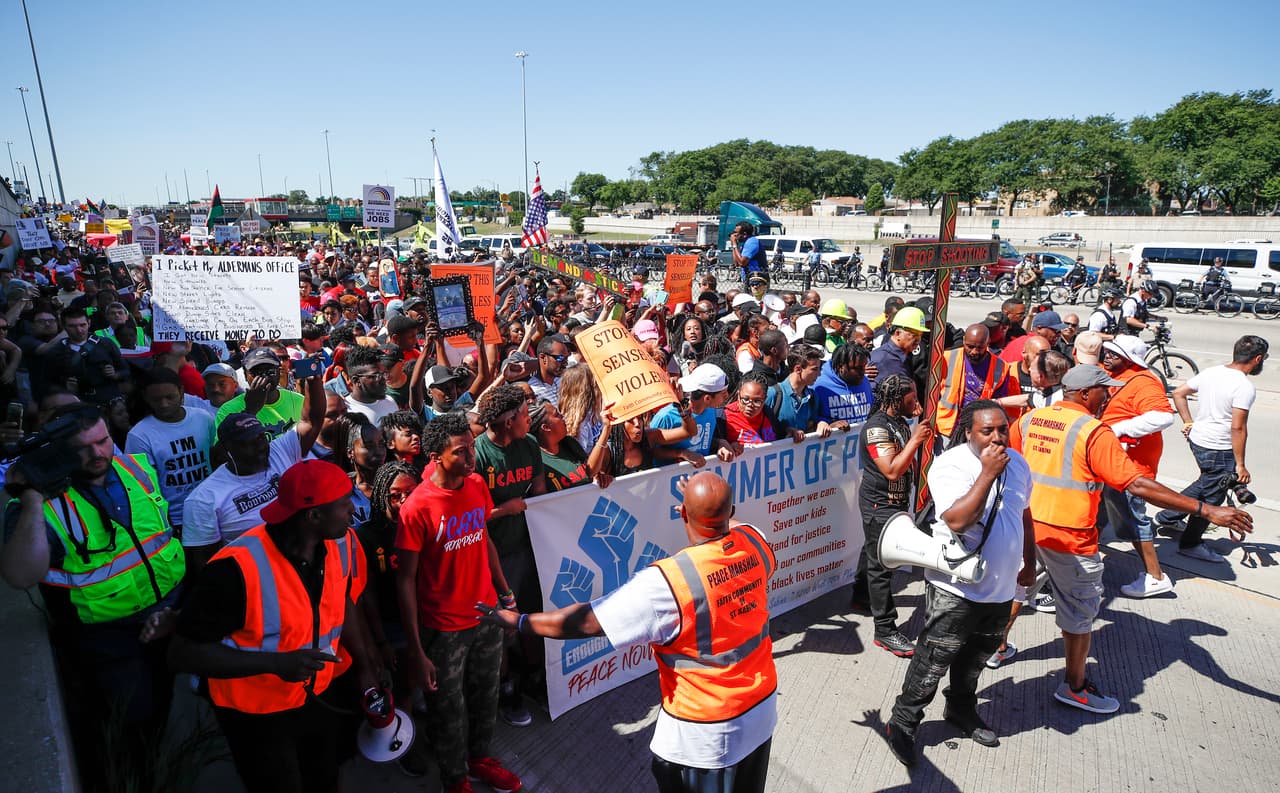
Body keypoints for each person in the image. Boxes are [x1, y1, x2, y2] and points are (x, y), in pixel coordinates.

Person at [478, 471, 776, 793]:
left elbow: (587, 622)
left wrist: (519, 622)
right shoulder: (755, 541)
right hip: (761, 711)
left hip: (706, 734)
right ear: (730, 514)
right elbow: (730, 524)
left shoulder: (668, 582)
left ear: (682, 513)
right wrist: (707, 507)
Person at [1010, 365, 1253, 713]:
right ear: (1084, 394)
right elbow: (1136, 484)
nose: (1108, 395)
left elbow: (1014, 465)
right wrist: (1205, 509)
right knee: (1080, 615)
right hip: (1070, 540)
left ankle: (997, 648)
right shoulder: (1093, 432)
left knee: (1018, 589)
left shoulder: (1032, 419)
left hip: (1028, 530)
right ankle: (1075, 687)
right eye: (1102, 390)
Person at [168, 460, 378, 793]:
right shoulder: (233, 569)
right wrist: (275, 664)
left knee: (324, 778)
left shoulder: (335, 545)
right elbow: (183, 654)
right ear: (313, 516)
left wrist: (365, 667)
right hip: (255, 715)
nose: (352, 511)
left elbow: (343, 602)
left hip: (316, 698)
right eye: (343, 504)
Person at [1, 403, 186, 783]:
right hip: (107, 640)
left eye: (103, 441)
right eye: (82, 448)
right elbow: (20, 575)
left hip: (167, 617)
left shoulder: (135, 467)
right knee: (129, 726)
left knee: (164, 710)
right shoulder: (41, 503)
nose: (98, 454)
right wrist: (33, 498)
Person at [885, 400, 1034, 765]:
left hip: (1000, 588)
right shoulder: (951, 465)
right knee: (934, 659)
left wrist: (1029, 562)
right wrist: (987, 473)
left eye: (1003, 429)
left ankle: (961, 708)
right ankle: (903, 721)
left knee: (976, 658)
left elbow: (1025, 513)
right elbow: (957, 521)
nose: (998, 437)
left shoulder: (1019, 465)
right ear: (969, 431)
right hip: (955, 588)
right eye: (988, 430)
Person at [396, 413, 523, 793]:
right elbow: (404, 580)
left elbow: (484, 541)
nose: (471, 458)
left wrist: (506, 596)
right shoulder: (416, 508)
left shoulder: (476, 485)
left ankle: (480, 758)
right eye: (461, 451)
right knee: (448, 709)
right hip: (443, 629)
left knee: (486, 696)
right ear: (436, 456)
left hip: (487, 616)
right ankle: (454, 779)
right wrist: (417, 650)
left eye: (471, 447)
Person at [182, 372, 324, 570]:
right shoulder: (204, 499)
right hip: (255, 579)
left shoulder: (277, 452)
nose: (260, 447)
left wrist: (313, 379)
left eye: (260, 438)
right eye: (247, 443)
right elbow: (204, 565)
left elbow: (312, 420)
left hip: (301, 565)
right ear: (228, 450)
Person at [1154, 335, 1268, 563]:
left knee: (1207, 482)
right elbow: (1238, 427)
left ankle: (1167, 516)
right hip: (1219, 447)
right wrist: (1241, 465)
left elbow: (1178, 393)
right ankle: (1191, 543)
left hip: (1199, 440)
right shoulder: (1244, 386)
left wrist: (1188, 422)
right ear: (1257, 359)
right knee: (1213, 497)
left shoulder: (1211, 372)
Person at [851, 374, 933, 656]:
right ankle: (885, 630)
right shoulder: (876, 429)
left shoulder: (897, 420)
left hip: (894, 503)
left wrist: (913, 421)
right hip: (880, 505)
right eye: (912, 397)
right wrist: (916, 438)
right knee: (881, 567)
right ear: (897, 400)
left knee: (873, 552)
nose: (917, 401)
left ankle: (861, 596)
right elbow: (892, 469)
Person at [1094, 336, 1175, 597]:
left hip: (1131, 466)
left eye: (1114, 355)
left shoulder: (1143, 382)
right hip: (1110, 462)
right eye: (1106, 352)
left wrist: (1118, 429)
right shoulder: (1113, 374)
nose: (1107, 357)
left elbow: (1163, 416)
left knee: (1132, 518)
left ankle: (1156, 576)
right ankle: (1087, 561)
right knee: (1098, 513)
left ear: (1129, 359)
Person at [125, 368, 217, 534]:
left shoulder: (203, 418)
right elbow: (142, 487)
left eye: (170, 397)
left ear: (181, 391)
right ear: (145, 397)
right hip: (176, 519)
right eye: (156, 399)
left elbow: (214, 458)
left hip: (213, 506)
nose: (164, 404)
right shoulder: (139, 436)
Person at [934, 324, 1019, 442]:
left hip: (978, 429)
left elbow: (999, 401)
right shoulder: (946, 358)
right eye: (970, 346)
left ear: (988, 343)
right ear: (963, 340)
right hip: (945, 427)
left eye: (979, 347)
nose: (974, 351)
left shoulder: (1001, 367)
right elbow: (932, 393)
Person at [217, 347, 304, 437]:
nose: (264, 377)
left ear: (279, 372)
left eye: (270, 371)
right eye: (256, 372)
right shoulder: (228, 410)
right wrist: (250, 412)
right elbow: (222, 449)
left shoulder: (300, 401)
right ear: (245, 375)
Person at [724, 374, 805, 447]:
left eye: (757, 401)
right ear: (738, 395)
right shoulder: (724, 416)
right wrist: (726, 445)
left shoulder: (768, 413)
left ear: (765, 399)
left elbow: (780, 433)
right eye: (745, 399)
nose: (750, 405)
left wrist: (790, 430)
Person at [814, 342, 873, 430]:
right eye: (857, 368)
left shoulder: (864, 381)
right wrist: (830, 425)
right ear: (841, 366)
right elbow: (808, 422)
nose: (862, 372)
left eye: (864, 367)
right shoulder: (818, 386)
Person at [869, 307, 927, 387]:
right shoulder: (881, 360)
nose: (918, 340)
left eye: (921, 335)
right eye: (915, 335)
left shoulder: (906, 357)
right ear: (898, 333)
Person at [343, 345, 399, 424]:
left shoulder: (390, 402)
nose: (383, 379)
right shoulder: (347, 411)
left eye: (384, 374)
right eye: (376, 376)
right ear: (356, 381)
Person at [730, 221, 768, 286]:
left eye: (736, 232)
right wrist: (734, 245)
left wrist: (734, 244)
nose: (734, 235)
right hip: (749, 279)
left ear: (744, 234)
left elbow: (742, 263)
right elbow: (737, 263)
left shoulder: (752, 242)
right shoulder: (745, 243)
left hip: (757, 280)